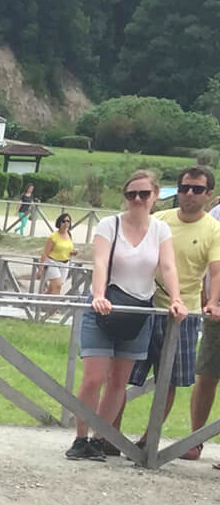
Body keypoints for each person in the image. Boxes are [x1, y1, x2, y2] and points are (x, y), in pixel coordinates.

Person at [64, 170, 184, 461]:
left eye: (144, 194)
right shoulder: (109, 224)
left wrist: (177, 298)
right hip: (105, 306)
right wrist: (99, 294)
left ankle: (100, 437)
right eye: (132, 195)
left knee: (119, 381)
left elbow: (167, 266)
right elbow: (100, 261)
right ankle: (80, 437)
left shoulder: (160, 229)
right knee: (94, 377)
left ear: (155, 196)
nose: (138, 200)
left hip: (138, 309)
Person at [121, 166, 220, 445]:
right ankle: (109, 436)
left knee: (169, 380)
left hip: (183, 313)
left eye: (197, 189)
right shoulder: (159, 220)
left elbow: (216, 271)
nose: (189, 194)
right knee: (121, 371)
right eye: (185, 187)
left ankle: (147, 441)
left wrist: (212, 302)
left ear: (208, 194)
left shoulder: (214, 229)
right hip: (144, 303)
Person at [37, 213, 75, 296]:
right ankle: (53, 308)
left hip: (65, 263)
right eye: (63, 221)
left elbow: (68, 249)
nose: (66, 223)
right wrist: (40, 269)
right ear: (59, 223)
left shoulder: (69, 235)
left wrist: (72, 253)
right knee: (57, 287)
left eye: (68, 221)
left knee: (51, 288)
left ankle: (40, 303)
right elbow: (45, 253)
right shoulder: (53, 236)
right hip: (52, 262)